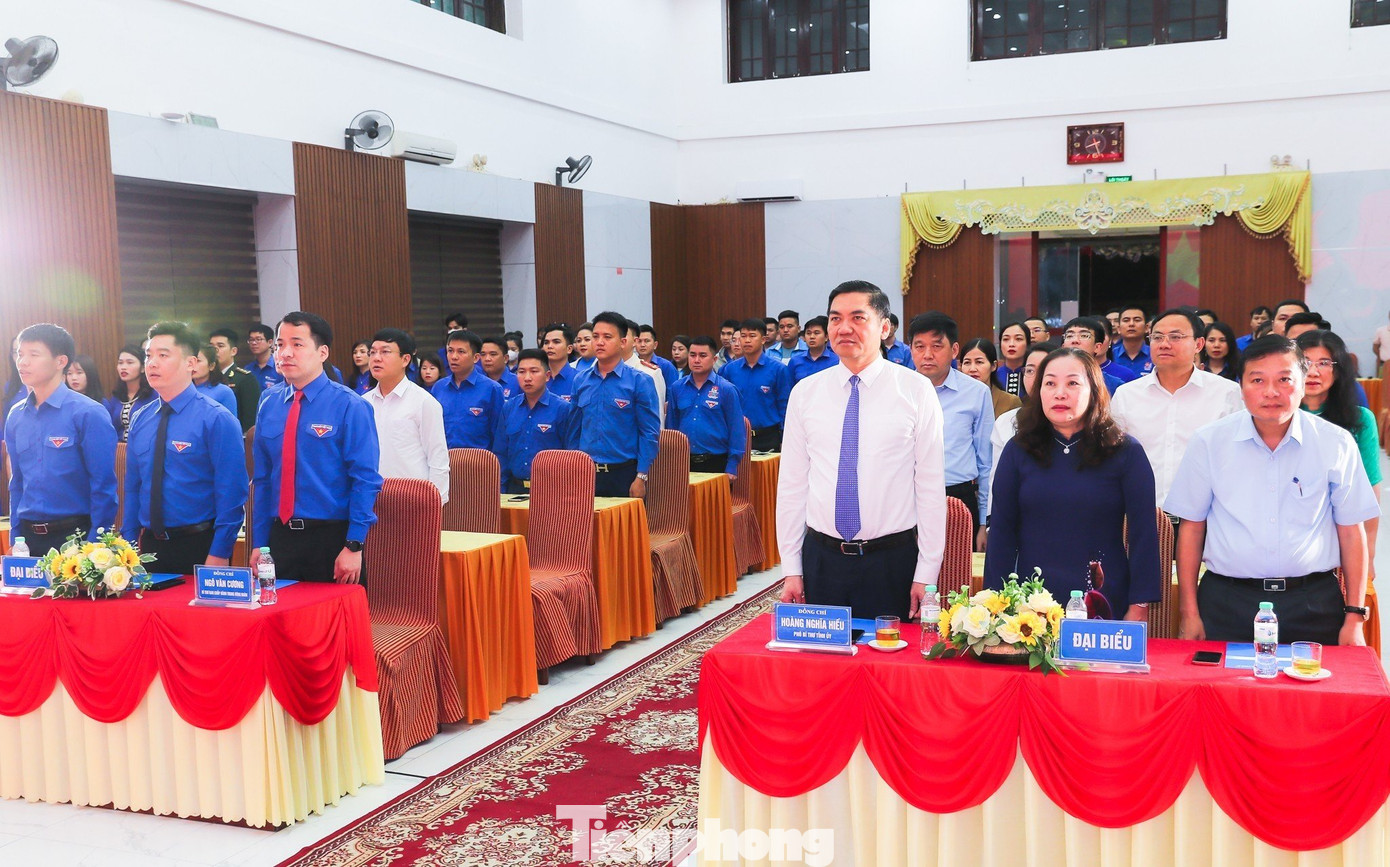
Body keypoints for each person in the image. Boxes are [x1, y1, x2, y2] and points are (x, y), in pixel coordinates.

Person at [1167, 335, 1378, 645]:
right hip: (1226, 603)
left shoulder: (1335, 442)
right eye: (1257, 380)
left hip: (1313, 603)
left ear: (1303, 383)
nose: (1271, 392)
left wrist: (1354, 617)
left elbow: (1351, 531)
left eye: (1284, 379)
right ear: (1241, 387)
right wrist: (1189, 612)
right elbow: (1192, 527)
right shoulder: (1209, 442)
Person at [778, 280, 946, 621]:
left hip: (891, 560)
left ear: (884, 328)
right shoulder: (806, 393)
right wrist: (792, 567)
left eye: (858, 317)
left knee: (890, 654)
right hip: (822, 558)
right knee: (823, 655)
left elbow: (930, 487)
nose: (844, 328)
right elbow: (792, 486)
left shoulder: (915, 391)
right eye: (835, 318)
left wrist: (926, 574)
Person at [986, 348, 1160, 619]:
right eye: (1050, 383)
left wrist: (1139, 604)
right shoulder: (1018, 450)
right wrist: (996, 604)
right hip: (1031, 603)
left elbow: (1143, 534)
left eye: (1072, 383)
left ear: (1094, 390)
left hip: (1103, 596)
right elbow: (1001, 534)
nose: (1060, 393)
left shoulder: (1125, 451)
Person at [251, 312, 382, 584]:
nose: (285, 353)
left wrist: (354, 544)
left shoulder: (350, 405)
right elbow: (262, 480)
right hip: (280, 538)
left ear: (322, 352)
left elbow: (365, 480)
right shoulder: (269, 403)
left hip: (332, 539)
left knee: (335, 613)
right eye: (280, 345)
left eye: (297, 344)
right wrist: (259, 543)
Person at [123, 322, 248, 574]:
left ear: (191, 363)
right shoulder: (141, 417)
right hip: (148, 547)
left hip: (199, 544)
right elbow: (133, 487)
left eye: (163, 355)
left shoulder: (216, 418)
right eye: (148, 355)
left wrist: (220, 552)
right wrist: (127, 546)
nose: (152, 363)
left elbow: (232, 493)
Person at [1110, 308, 1243, 513]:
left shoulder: (1227, 393)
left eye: (1175, 337)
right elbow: (1114, 457)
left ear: (1199, 344)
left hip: (1206, 515)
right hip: (1142, 514)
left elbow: (1236, 459)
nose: (1164, 344)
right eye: (1157, 337)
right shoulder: (1127, 395)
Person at [6, 323, 118, 543]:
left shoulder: (88, 412)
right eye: (20, 354)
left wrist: (95, 544)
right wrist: (15, 536)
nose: (23, 362)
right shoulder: (16, 415)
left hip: (75, 535)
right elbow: (16, 482)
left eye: (33, 354)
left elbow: (103, 485)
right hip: (28, 537)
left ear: (60, 361)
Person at [1298, 330, 1381, 593]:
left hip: (1341, 536)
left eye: (1324, 363)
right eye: (1305, 362)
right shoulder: (1275, 417)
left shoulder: (1359, 420)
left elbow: (1370, 490)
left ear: (1338, 370)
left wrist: (1369, 554)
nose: (1313, 372)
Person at [910, 312, 992, 547]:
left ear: (954, 350)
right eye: (919, 346)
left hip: (959, 497)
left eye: (937, 346)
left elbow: (986, 462)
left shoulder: (976, 392)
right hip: (908, 498)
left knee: (958, 568)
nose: (927, 354)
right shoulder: (897, 391)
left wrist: (983, 522)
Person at [572, 311, 660, 498]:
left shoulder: (639, 381)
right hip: (586, 472)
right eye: (595, 336)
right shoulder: (580, 380)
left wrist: (641, 476)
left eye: (607, 337)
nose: (599, 342)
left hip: (624, 473)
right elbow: (573, 430)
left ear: (622, 342)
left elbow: (649, 433)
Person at [363, 328, 449, 504]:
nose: (376, 358)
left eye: (385, 352)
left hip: (413, 500)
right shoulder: (363, 403)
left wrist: (436, 503)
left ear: (405, 359)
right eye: (372, 352)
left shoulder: (424, 402)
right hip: (371, 499)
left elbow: (438, 459)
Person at [988, 341, 1055, 521]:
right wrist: (991, 522)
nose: (1036, 377)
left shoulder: (1074, 422)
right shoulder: (1007, 421)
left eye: (1044, 370)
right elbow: (997, 481)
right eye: (1030, 370)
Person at [496, 349, 577, 493]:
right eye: (521, 372)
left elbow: (571, 455)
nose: (527, 378)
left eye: (534, 371)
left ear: (547, 376)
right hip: (515, 488)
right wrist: (500, 490)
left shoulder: (562, 409)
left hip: (551, 489)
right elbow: (501, 452)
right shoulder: (509, 408)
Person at [666, 336, 745, 477]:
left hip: (716, 461)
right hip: (683, 462)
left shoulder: (727, 389)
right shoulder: (677, 388)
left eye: (702, 356)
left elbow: (736, 429)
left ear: (714, 359)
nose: (696, 360)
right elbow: (672, 427)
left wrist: (732, 466)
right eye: (692, 355)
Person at [723, 317, 792, 451]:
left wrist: (785, 438)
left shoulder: (778, 369)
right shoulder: (730, 370)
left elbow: (784, 406)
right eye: (743, 336)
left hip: (769, 437)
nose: (747, 340)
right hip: (738, 436)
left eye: (752, 336)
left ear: (763, 339)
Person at [432, 329, 504, 451]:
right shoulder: (438, 388)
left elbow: (499, 435)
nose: (454, 357)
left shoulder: (492, 389)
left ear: (476, 358)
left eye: (461, 352)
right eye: (450, 351)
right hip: (444, 459)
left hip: (480, 460)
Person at [208, 328, 261, 432]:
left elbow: (250, 420)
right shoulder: (205, 377)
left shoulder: (245, 378)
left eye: (220, 346)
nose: (215, 350)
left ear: (233, 351)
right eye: (211, 346)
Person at [104, 344, 156, 442]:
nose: (123, 367)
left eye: (129, 362)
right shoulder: (116, 397)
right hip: (119, 448)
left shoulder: (154, 395)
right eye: (120, 363)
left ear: (142, 368)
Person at [958, 338, 1021, 419]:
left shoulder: (1010, 402)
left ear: (993, 366)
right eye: (967, 363)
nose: (972, 369)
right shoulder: (954, 399)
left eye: (979, 362)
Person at [1063, 317, 1125, 395]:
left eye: (1084, 336)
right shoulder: (1050, 378)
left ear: (1097, 347)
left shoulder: (1114, 385)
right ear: (1063, 346)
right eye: (1069, 336)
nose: (1075, 340)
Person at [622, 320, 666, 421]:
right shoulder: (601, 370)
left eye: (623, 335)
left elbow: (657, 417)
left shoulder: (650, 373)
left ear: (635, 341)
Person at [786, 315, 838, 385]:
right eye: (808, 333)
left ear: (826, 337)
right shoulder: (795, 361)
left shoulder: (836, 361)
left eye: (816, 333)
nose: (812, 337)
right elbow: (789, 387)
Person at [192, 345, 239, 418]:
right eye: (191, 361)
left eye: (198, 361)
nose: (193, 365)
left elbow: (230, 422)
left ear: (211, 366)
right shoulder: (182, 389)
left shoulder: (224, 392)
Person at [1110, 305, 1153, 376]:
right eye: (1126, 320)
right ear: (1119, 329)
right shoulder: (1110, 356)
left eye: (1137, 320)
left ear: (1146, 328)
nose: (1131, 324)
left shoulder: (1155, 355)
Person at [541, 323, 579, 401]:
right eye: (546, 343)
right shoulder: (538, 378)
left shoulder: (579, 379)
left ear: (569, 349)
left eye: (556, 342)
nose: (550, 346)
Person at [995, 321, 1032, 397]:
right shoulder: (993, 376)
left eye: (1018, 339)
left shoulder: (1034, 376)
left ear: (1027, 344)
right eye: (1006, 339)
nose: (1011, 344)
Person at [243, 323, 283, 391]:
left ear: (270, 342)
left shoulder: (279, 367)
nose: (254, 343)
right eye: (251, 340)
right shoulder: (248, 369)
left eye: (258, 339)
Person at [479, 335, 521, 400]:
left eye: (493, 354)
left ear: (505, 358)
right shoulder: (477, 382)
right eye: (483, 354)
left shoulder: (518, 382)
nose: (487, 359)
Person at [1373, 309, 1390, 376]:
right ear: (1389, 316)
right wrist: (1381, 356)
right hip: (1383, 364)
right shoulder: (1381, 330)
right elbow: (1375, 347)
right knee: (1382, 382)